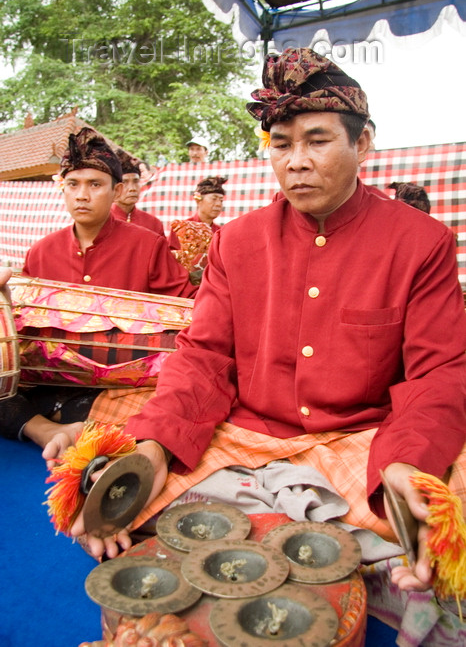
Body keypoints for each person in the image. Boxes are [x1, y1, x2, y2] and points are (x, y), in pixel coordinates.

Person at [55, 50, 466, 604]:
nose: (295, 161)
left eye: (317, 140)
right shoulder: (238, 240)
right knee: (114, 471)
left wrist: (405, 464)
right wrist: (153, 451)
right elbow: (202, 357)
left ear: (363, 142)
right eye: (280, 144)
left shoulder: (421, 243)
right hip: (245, 433)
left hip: (362, 439)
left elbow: (440, 372)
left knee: (441, 508)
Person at [0, 127, 197, 452]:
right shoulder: (41, 251)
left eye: (95, 185)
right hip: (52, 382)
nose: (82, 195)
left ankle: (69, 428)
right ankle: (50, 429)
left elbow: (189, 310)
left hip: (125, 382)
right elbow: (22, 326)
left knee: (179, 397)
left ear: (116, 190)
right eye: (73, 184)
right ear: (62, 188)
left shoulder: (147, 245)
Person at [112, 149, 165, 235]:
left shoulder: (153, 224)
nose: (132, 188)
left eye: (136, 181)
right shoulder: (100, 222)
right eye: (124, 182)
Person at [168, 176, 227, 250]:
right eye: (214, 199)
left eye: (221, 200)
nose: (218, 204)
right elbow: (170, 256)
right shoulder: (181, 228)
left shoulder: (220, 232)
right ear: (198, 200)